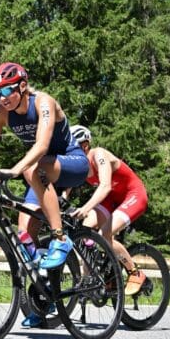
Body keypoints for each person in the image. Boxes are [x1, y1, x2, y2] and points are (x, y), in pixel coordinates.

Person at [0, 62, 89, 302]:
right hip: (41, 172)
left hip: (72, 163)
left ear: (23, 86)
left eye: (6, 91)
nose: (2, 98)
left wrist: (18, 169)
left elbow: (41, 145)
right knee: (24, 232)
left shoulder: (43, 102)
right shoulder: (1, 112)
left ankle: (60, 238)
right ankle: (45, 294)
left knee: (31, 169)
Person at [68, 125, 148, 295]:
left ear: (85, 145)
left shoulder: (99, 155)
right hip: (111, 199)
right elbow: (66, 188)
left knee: (105, 234)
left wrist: (85, 208)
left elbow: (104, 186)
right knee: (84, 230)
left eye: (73, 148)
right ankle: (93, 277)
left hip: (132, 195)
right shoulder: (79, 166)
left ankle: (135, 273)